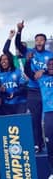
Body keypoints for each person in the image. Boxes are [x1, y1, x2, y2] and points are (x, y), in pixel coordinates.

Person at [15, 20, 53, 153]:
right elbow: (18, 45)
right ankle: (38, 144)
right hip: (34, 90)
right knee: (34, 118)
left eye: (42, 40)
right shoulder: (29, 52)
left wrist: (44, 71)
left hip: (48, 91)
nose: (39, 42)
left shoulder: (50, 55)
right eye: (37, 40)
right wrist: (19, 31)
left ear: (45, 42)